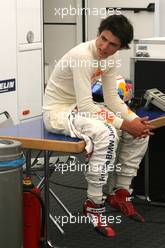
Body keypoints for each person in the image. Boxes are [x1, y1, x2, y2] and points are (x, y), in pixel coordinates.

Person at [43, 14, 154, 237]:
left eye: (113, 44)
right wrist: (124, 124)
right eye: (103, 38)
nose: (104, 46)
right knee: (108, 133)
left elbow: (112, 99)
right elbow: (86, 105)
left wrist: (133, 122)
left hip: (78, 109)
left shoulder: (110, 59)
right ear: (99, 33)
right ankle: (94, 202)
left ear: (121, 47)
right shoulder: (82, 55)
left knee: (141, 132)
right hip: (57, 113)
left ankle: (120, 192)